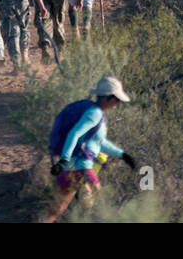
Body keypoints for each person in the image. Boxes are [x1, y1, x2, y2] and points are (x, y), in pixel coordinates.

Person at [46, 76, 136, 222]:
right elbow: (74, 134)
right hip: (81, 168)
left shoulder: (95, 112)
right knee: (102, 206)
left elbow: (99, 142)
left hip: (72, 168)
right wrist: (64, 159)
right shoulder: (95, 113)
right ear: (109, 98)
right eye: (117, 99)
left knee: (59, 209)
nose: (118, 103)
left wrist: (122, 155)